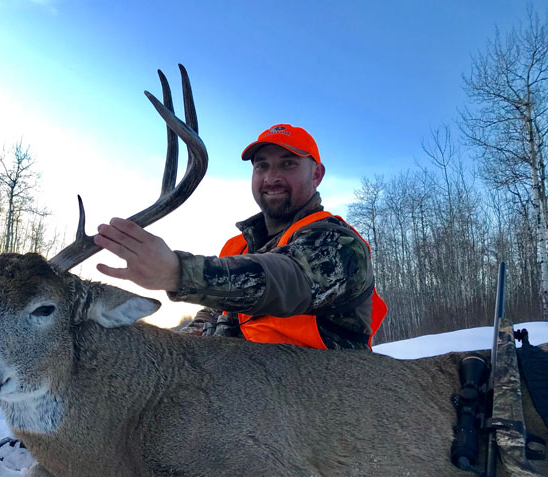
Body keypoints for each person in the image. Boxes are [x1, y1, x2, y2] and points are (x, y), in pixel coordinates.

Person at [93, 124, 387, 350]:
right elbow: (210, 318)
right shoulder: (238, 248)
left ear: (317, 174)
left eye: (288, 164)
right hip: (241, 396)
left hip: (321, 408)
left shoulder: (338, 244)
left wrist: (178, 272)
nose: (272, 178)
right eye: (262, 165)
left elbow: (285, 279)